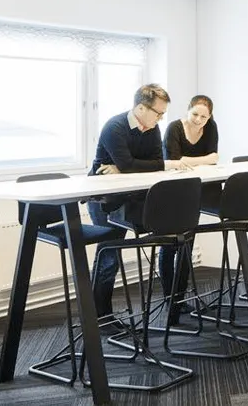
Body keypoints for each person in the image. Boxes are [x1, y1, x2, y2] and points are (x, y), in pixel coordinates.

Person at [87, 84, 181, 330]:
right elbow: (135, 164)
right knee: (109, 257)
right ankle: (100, 319)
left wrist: (123, 167)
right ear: (141, 108)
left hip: (130, 198)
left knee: (165, 238)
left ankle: (173, 303)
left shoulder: (152, 128)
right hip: (104, 199)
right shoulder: (114, 127)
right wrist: (127, 166)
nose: (161, 118)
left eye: (163, 114)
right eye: (158, 113)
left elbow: (157, 162)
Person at [162, 94, 219, 322]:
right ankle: (169, 299)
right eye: (195, 114)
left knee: (187, 243)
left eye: (204, 117)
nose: (198, 120)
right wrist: (202, 159)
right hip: (171, 190)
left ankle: (180, 298)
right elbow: (174, 162)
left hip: (195, 189)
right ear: (187, 110)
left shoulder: (211, 127)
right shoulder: (174, 129)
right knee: (169, 246)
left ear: (210, 117)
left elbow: (215, 157)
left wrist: (189, 160)